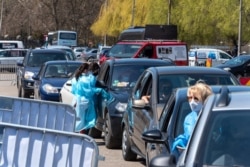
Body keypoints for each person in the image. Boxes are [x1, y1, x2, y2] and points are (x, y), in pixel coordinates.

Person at [171, 82, 212, 158]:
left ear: (205, 99)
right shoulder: (189, 118)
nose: (192, 102)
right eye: (190, 98)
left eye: (196, 99)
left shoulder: (213, 117)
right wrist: (180, 142)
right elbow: (188, 136)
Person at [72, 63, 113, 134]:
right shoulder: (88, 79)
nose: (90, 71)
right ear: (85, 70)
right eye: (88, 70)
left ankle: (79, 135)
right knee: (89, 120)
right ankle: (84, 136)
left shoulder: (76, 79)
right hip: (87, 101)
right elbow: (89, 91)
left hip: (77, 101)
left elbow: (73, 91)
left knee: (79, 120)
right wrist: (99, 90)